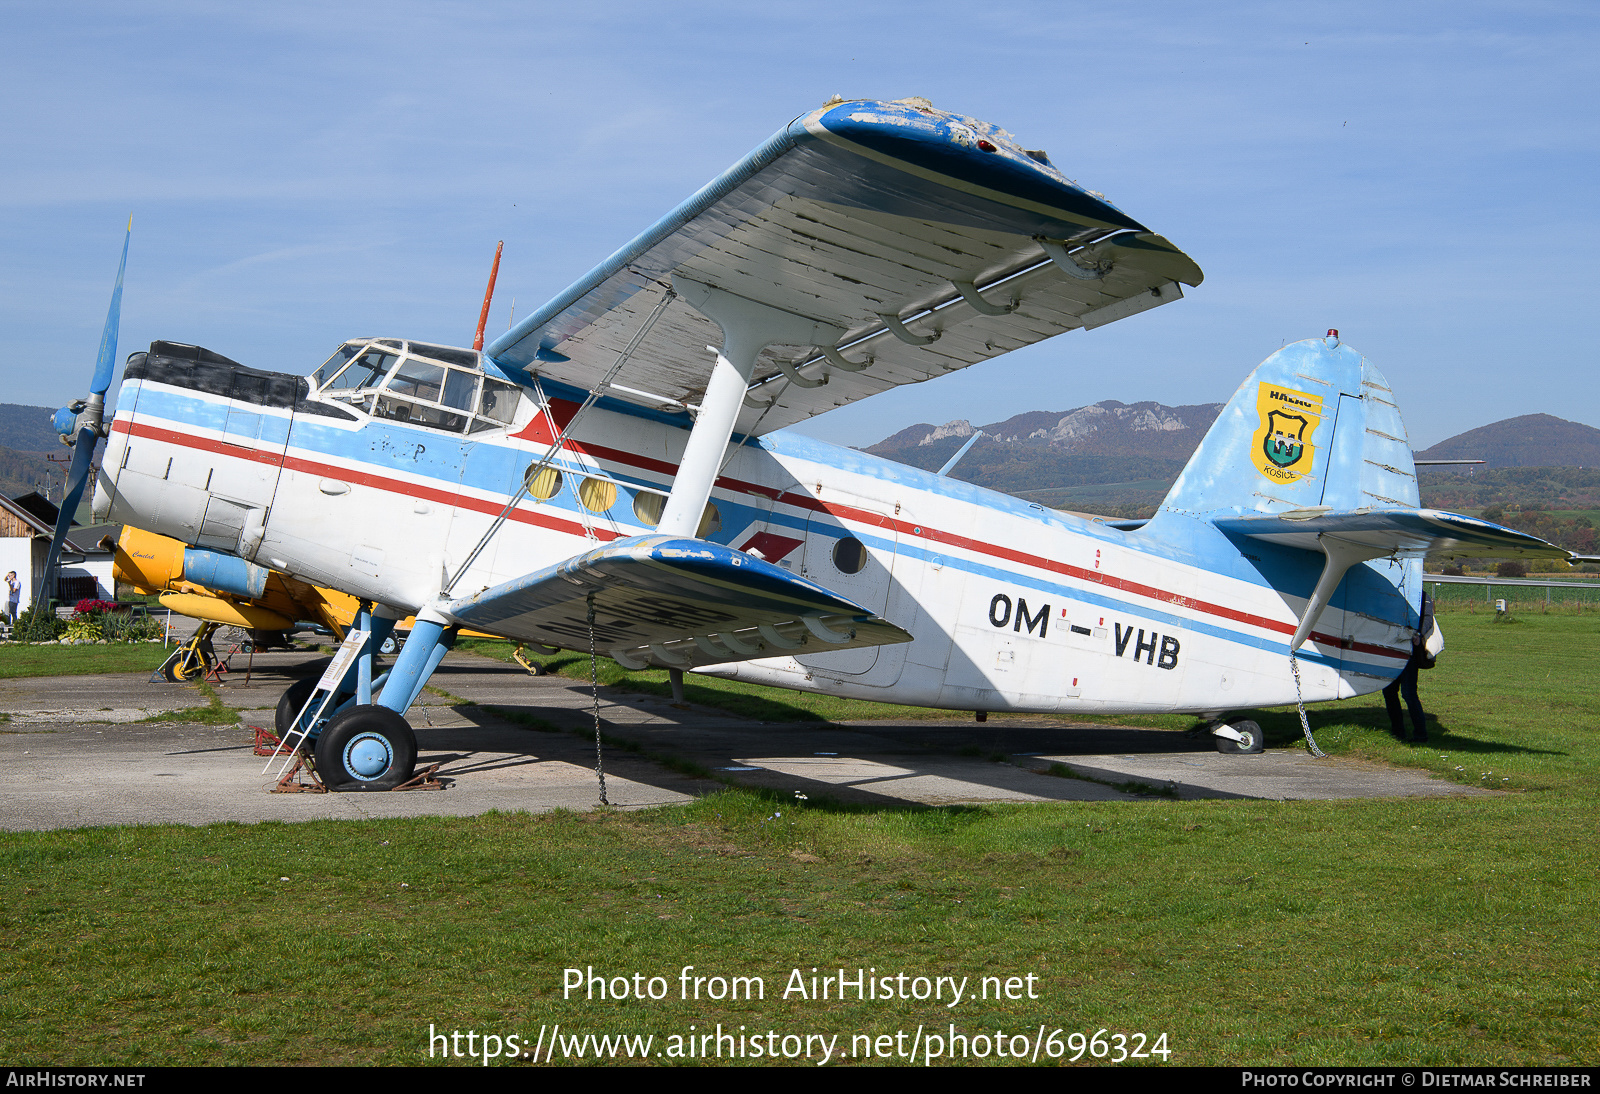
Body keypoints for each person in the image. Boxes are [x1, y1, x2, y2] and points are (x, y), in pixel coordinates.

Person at [1384, 590, 1436, 743]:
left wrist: (1419, 634)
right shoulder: (1394, 592)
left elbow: (1428, 618)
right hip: (1390, 648)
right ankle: (1397, 732)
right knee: (1389, 692)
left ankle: (1420, 735)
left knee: (1408, 694)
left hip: (1409, 651)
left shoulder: (1421, 595)